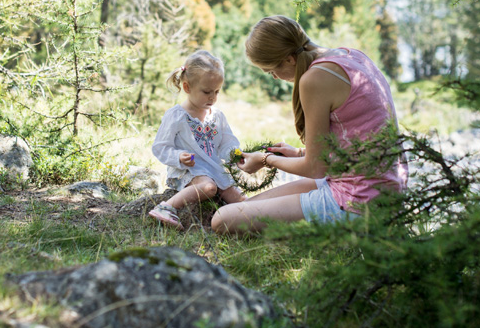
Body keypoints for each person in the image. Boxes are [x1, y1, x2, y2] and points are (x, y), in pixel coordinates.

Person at [211, 15, 407, 235]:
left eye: (271, 70)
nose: (275, 77)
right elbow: (356, 138)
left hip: (359, 201)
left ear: (288, 59)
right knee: (239, 208)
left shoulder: (316, 78)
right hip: (379, 190)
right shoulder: (351, 55)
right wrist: (298, 153)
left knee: (222, 220)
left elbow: (315, 168)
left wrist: (265, 159)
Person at [149, 50, 246, 229]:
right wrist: (178, 156)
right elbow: (160, 147)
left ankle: (249, 222)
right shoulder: (176, 115)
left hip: (212, 166)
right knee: (209, 188)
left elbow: (227, 141)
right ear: (187, 88)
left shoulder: (217, 116)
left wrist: (234, 153)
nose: (213, 97)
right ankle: (166, 207)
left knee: (238, 198)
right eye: (207, 91)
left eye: (217, 92)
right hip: (189, 169)